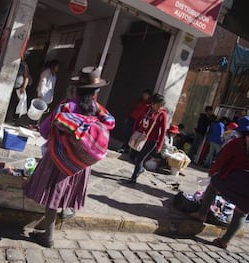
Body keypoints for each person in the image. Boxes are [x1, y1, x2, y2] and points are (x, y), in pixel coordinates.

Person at [25, 66, 114, 248]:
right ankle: (67, 211)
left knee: (53, 194)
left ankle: (48, 236)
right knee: (71, 190)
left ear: (77, 88)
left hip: (59, 159)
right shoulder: (102, 113)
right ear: (97, 91)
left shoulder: (66, 106)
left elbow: (45, 130)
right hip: (82, 162)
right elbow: (109, 125)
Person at [189, 116, 249, 249]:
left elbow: (221, 161)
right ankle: (224, 241)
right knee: (241, 212)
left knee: (214, 184)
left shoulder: (237, 142)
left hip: (246, 180)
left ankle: (202, 214)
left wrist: (212, 174)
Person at [127, 93, 167, 184]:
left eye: (162, 105)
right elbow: (139, 119)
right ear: (153, 103)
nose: (160, 107)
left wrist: (159, 146)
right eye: (158, 105)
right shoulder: (147, 108)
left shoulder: (162, 114)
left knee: (140, 158)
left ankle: (134, 178)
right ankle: (140, 169)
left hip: (152, 140)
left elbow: (163, 131)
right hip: (140, 136)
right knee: (132, 155)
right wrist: (135, 131)